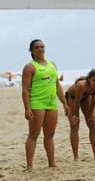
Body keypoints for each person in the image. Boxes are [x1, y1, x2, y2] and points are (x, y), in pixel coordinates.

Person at [21, 39, 68, 171]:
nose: (40, 49)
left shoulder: (51, 64)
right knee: (34, 134)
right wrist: (27, 108)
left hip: (51, 103)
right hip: (37, 103)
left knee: (50, 134)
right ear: (31, 51)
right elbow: (25, 89)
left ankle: (51, 163)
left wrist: (64, 103)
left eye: (42, 47)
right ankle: (29, 165)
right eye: (37, 47)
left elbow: (57, 85)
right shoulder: (30, 67)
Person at [65, 69, 95, 160]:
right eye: (93, 80)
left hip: (86, 97)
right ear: (89, 80)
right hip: (72, 98)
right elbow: (77, 101)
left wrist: (90, 114)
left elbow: (94, 99)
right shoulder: (82, 85)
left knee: (92, 123)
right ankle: (76, 156)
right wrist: (75, 116)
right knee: (74, 125)